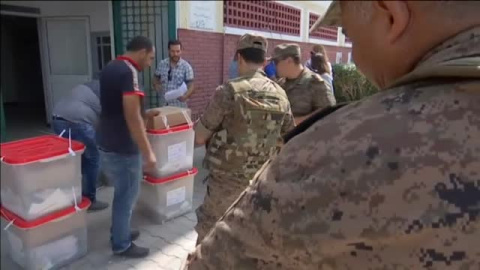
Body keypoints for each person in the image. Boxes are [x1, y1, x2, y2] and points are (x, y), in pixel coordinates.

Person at [184, 1, 480, 269]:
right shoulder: (280, 89)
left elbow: (213, 262)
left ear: (391, 14)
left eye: (350, 35)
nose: (355, 55)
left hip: (230, 180)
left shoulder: (336, 149)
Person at [193, 33, 295, 244]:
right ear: (264, 61)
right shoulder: (281, 94)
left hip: (225, 183)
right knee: (246, 238)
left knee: (210, 237)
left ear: (239, 57)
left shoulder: (228, 91)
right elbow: (288, 138)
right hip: (260, 182)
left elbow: (199, 137)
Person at [97, 36, 159, 258]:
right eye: (150, 58)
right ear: (142, 52)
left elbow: (115, 106)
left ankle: (119, 232)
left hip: (107, 141)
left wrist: (146, 113)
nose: (150, 63)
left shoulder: (111, 67)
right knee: (127, 196)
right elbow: (131, 116)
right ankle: (121, 244)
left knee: (122, 193)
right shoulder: (129, 72)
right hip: (123, 147)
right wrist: (148, 152)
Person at [51, 80, 109, 212]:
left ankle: (68, 198)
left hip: (57, 118)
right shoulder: (109, 93)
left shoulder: (89, 86)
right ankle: (89, 199)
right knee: (93, 158)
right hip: (78, 122)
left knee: (72, 159)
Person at [274, 43, 336, 125]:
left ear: (289, 61)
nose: (274, 66)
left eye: (276, 62)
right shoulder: (280, 84)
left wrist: (295, 122)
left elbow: (329, 113)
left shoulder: (315, 83)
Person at [153, 40, 194, 108]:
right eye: (173, 51)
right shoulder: (162, 64)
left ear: (181, 51)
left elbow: (191, 85)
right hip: (163, 105)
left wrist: (186, 96)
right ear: (168, 50)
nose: (175, 54)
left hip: (179, 106)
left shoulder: (186, 66)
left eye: (178, 51)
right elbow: (155, 77)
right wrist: (156, 84)